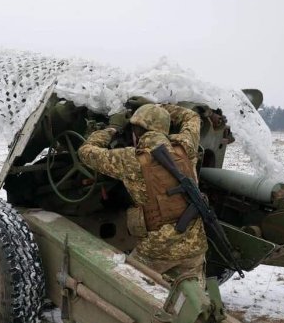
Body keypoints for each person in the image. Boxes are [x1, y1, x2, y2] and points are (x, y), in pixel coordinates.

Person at [78, 99, 208, 287]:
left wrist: (111, 129)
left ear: (135, 133)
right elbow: (192, 117)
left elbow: (85, 152)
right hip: (195, 246)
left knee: (128, 290)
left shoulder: (130, 160)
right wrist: (161, 108)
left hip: (156, 251)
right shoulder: (186, 147)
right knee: (191, 302)